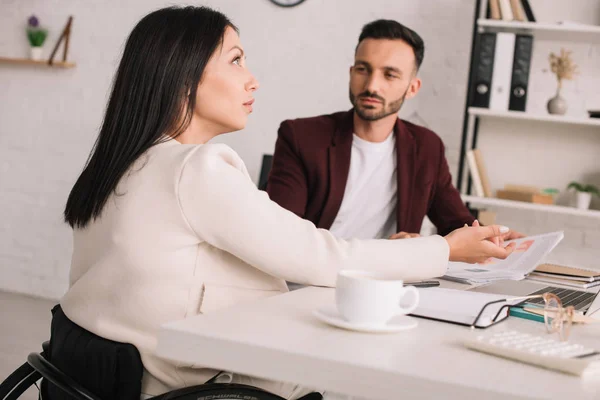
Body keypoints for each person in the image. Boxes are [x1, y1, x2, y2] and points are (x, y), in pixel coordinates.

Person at [53, 6, 515, 400]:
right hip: (195, 388)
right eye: (236, 61)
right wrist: (444, 250)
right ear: (183, 76)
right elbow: (318, 254)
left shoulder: (122, 163)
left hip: (107, 379)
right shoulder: (197, 168)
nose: (252, 79)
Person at [266, 19, 523, 241]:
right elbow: (283, 235)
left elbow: (456, 225)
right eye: (363, 70)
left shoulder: (426, 146)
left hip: (387, 286)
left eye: (389, 75)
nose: (372, 85)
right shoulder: (301, 137)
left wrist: (491, 236)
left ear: (412, 88)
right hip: (309, 282)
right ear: (351, 73)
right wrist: (394, 252)